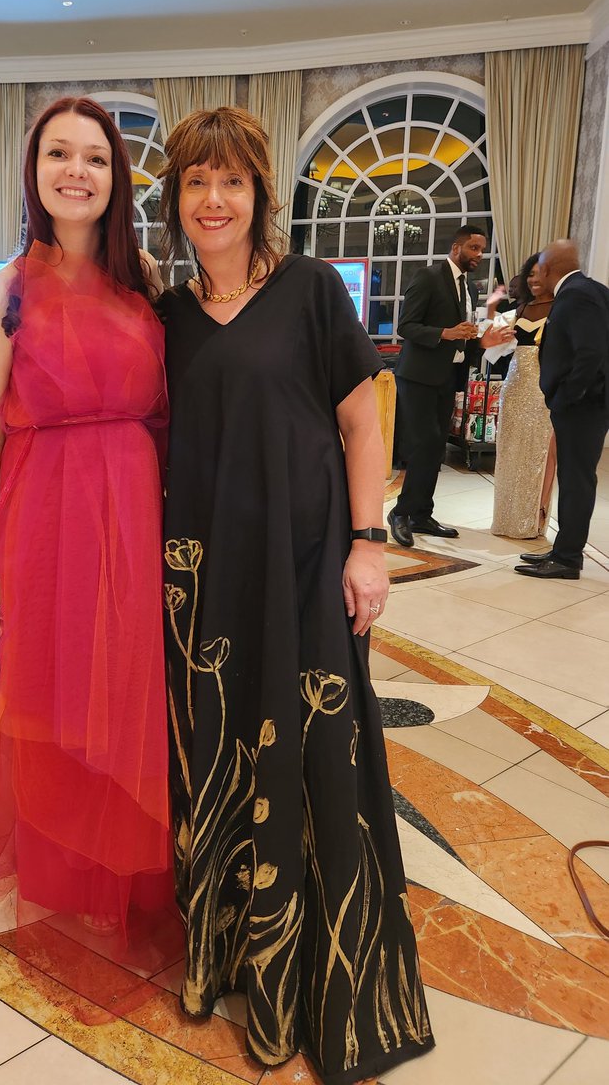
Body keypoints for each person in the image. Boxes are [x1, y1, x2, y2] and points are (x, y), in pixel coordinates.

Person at [157, 106, 434, 1082]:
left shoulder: (312, 291)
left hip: (307, 558)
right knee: (221, 758)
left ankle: (316, 977)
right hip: (204, 580)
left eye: (232, 181)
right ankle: (231, 958)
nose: (215, 200)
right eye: (197, 182)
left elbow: (364, 427)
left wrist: (369, 545)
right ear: (176, 200)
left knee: (318, 751)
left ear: (260, 195)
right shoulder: (168, 318)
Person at [0, 97, 175, 939]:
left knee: (130, 690)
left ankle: (134, 867)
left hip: (135, 509)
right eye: (59, 154)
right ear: (35, 171)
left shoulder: (144, 283)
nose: (76, 171)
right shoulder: (4, 293)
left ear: (116, 176)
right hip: (47, 517)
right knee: (54, 693)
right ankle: (68, 871)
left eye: (94, 157)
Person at [389, 226, 493, 548]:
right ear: (456, 246)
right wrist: (445, 333)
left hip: (448, 376)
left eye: (482, 250)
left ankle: (422, 514)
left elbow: (464, 334)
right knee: (423, 444)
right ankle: (401, 513)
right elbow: (406, 326)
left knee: (436, 449)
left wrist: (483, 341)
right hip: (418, 376)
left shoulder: (471, 290)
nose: (479, 254)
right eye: (474, 247)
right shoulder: (429, 277)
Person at [516, 240, 609, 579]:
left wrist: (568, 395)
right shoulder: (589, 289)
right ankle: (563, 550)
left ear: (551, 268)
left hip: (582, 406)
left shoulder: (577, 294)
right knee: (573, 478)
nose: (536, 273)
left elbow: (591, 352)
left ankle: (568, 558)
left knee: (575, 480)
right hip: (583, 404)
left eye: (539, 267)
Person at [486, 254, 557, 538]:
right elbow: (489, 341)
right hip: (514, 385)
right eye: (531, 274)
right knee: (509, 452)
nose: (534, 279)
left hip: (544, 388)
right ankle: (506, 519)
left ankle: (532, 520)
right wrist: (491, 309)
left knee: (539, 454)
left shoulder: (561, 308)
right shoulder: (521, 308)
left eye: (540, 274)